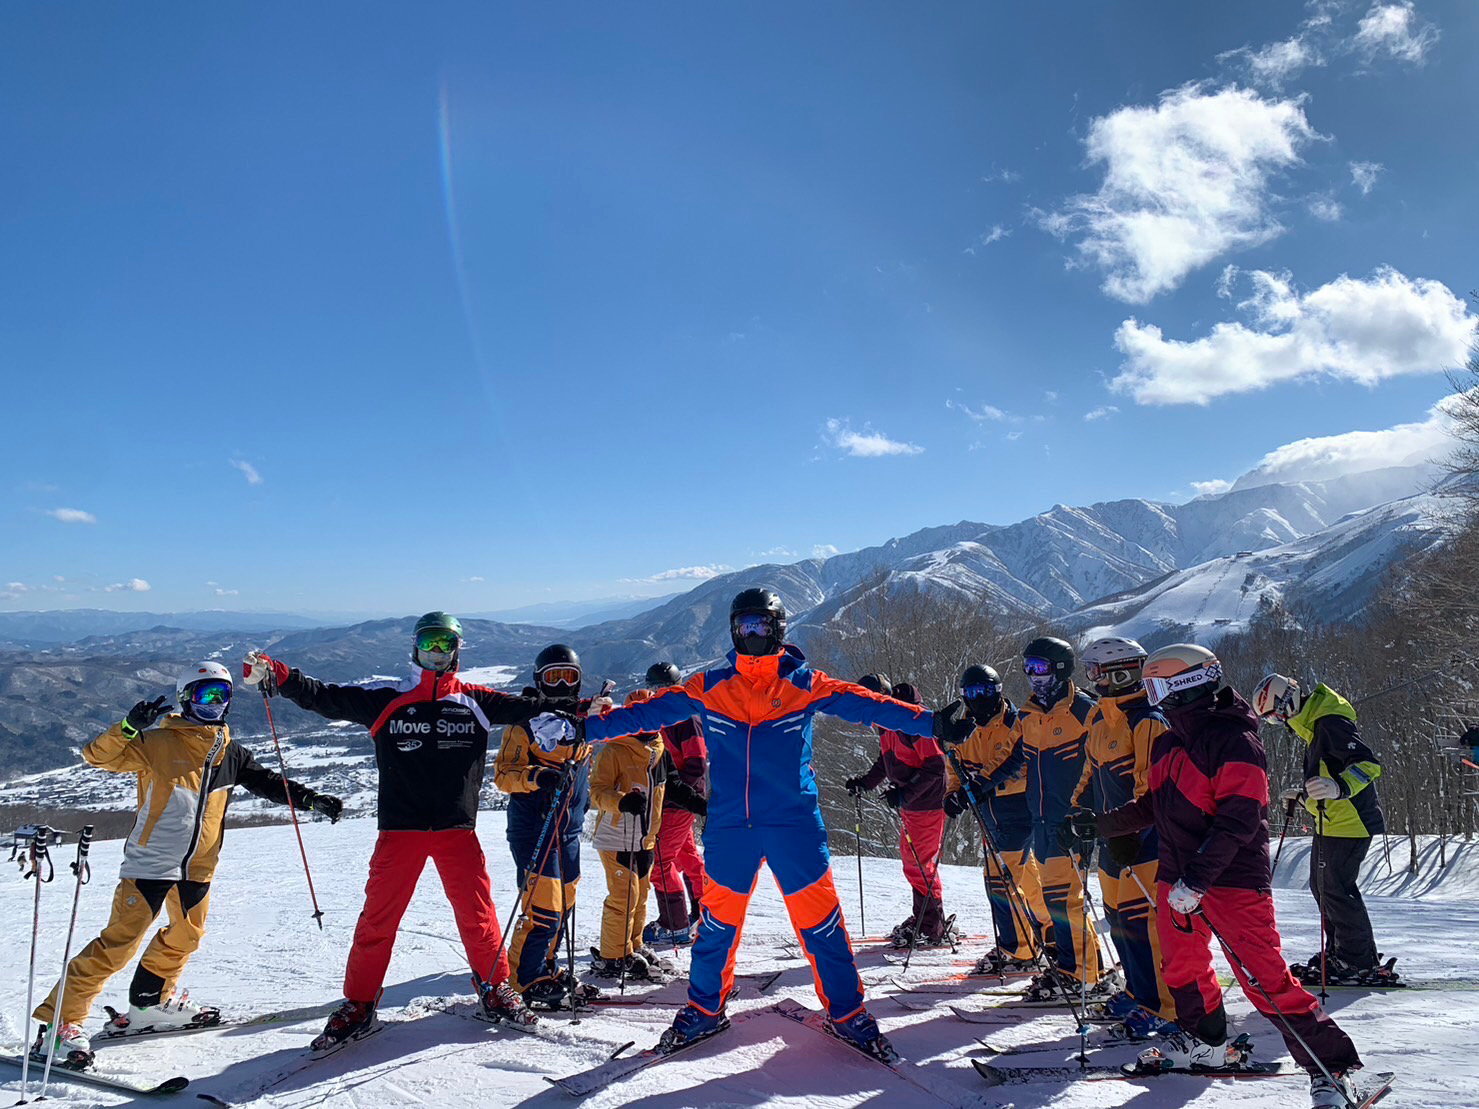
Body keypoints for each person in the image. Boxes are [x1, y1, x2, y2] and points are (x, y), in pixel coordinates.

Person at [570, 588, 967, 1063]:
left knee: (822, 923)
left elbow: (867, 705)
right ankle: (704, 1009)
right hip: (730, 827)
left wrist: (931, 724)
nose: (752, 633)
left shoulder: (804, 682)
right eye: (745, 625)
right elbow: (645, 713)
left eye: (761, 624)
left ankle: (847, 1013)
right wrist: (582, 728)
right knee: (716, 925)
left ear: (778, 628)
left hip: (793, 824)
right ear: (733, 630)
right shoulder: (710, 684)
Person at [243, 612, 543, 1050]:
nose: (436, 651)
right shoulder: (388, 699)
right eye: (429, 642)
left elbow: (537, 707)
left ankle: (496, 988)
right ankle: (359, 1003)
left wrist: (584, 709)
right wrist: (279, 675)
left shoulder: (476, 700)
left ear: (457, 650)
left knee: (477, 915)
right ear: (415, 647)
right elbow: (326, 697)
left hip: (457, 831)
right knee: (378, 921)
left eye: (445, 643)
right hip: (400, 831)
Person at [1098, 644, 1367, 1109]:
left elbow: (1239, 819)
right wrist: (1101, 825)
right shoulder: (1169, 741)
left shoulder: (1235, 740)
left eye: (1157, 687)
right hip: (1178, 877)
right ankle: (1206, 1042)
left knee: (1264, 980)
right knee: (1181, 966)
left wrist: (1198, 880)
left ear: (1185, 685)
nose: (1152, 697)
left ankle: (1334, 1069)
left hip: (1231, 879)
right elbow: (1156, 804)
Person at [32, 662, 342, 1058]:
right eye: (204, 694)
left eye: (222, 695)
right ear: (185, 699)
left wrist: (309, 799)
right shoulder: (158, 743)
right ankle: (59, 1024)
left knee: (186, 936)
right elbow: (98, 757)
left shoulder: (230, 752)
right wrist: (128, 728)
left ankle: (150, 1004)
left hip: (199, 865)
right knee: (118, 945)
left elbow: (267, 783)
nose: (214, 703)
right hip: (151, 861)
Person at [1063, 637, 1177, 1040]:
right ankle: (1137, 991)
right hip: (1112, 842)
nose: (1091, 678)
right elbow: (1091, 775)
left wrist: (1130, 831)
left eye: (1096, 671)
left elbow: (1151, 790)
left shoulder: (1148, 721)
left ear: (1121, 673)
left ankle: (1164, 1007)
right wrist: (1075, 814)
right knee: (1118, 922)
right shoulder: (1100, 718)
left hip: (1144, 845)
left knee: (1144, 927)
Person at [1252, 674, 1392, 986]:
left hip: (1350, 822)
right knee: (1323, 889)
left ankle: (1357, 961)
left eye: (1275, 716)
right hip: (1333, 820)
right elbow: (1328, 774)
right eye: (1271, 720)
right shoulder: (1316, 727)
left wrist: (1339, 787)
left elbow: (1368, 765)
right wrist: (1305, 797)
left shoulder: (1330, 722)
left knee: (1336, 890)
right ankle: (1342, 952)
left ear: (1288, 702)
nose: (1279, 722)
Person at [492, 643, 601, 1008]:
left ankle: (545, 966)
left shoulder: (580, 723)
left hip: (568, 829)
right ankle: (524, 979)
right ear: (539, 680)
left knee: (564, 903)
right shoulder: (524, 724)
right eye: (553, 677)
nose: (561, 685)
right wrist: (538, 776)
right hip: (534, 828)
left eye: (568, 677)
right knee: (544, 910)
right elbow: (504, 775)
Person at [942, 664, 1050, 975]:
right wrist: (952, 794)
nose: (979, 698)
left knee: (999, 880)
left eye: (986, 691)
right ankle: (1050, 930)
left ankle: (1018, 950)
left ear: (998, 691)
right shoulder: (963, 728)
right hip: (986, 811)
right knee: (1024, 877)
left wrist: (983, 785)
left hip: (1016, 806)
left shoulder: (1015, 722)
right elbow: (954, 765)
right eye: (972, 692)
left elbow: (1019, 763)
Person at [1016, 636, 1105, 1001]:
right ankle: (1086, 968)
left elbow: (1101, 766)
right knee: (1056, 899)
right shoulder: (1028, 714)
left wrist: (1088, 814)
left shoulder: (1084, 711)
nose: (1033, 676)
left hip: (1070, 820)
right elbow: (1017, 762)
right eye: (1028, 668)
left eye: (1039, 668)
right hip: (1040, 819)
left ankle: (1080, 973)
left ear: (1061, 668)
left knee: (1065, 899)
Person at [844, 679, 954, 947]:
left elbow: (936, 767)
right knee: (913, 861)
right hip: (912, 805)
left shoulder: (911, 721)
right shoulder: (887, 723)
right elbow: (887, 761)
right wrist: (865, 783)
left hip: (927, 804)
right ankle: (926, 920)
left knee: (920, 864)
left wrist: (905, 793)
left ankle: (931, 927)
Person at [642, 661, 709, 946]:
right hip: (668, 798)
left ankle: (675, 924)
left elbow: (697, 763)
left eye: (665, 688)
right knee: (687, 857)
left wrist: (678, 792)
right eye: (654, 688)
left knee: (659, 862)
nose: (659, 693)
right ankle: (705, 912)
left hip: (678, 800)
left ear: (677, 687)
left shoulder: (686, 718)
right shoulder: (659, 716)